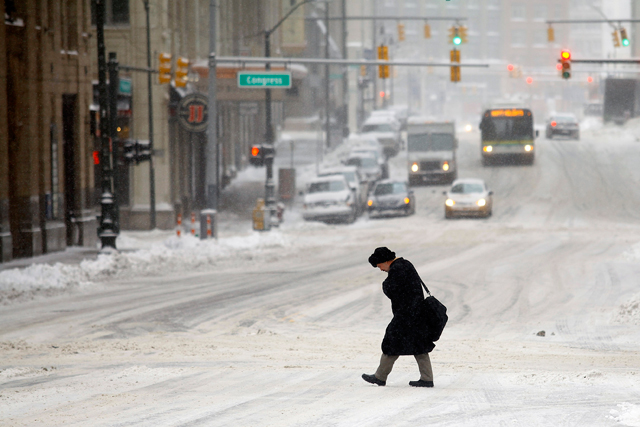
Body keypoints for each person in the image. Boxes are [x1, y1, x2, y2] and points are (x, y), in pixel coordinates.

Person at [361, 247, 435, 387]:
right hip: (415, 312)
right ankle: (427, 378)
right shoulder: (405, 264)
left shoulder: (397, 269)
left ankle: (380, 377)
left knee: (391, 341)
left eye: (380, 266)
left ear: (385, 261)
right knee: (418, 345)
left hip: (406, 314)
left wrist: (385, 285)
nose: (381, 269)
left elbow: (392, 289)